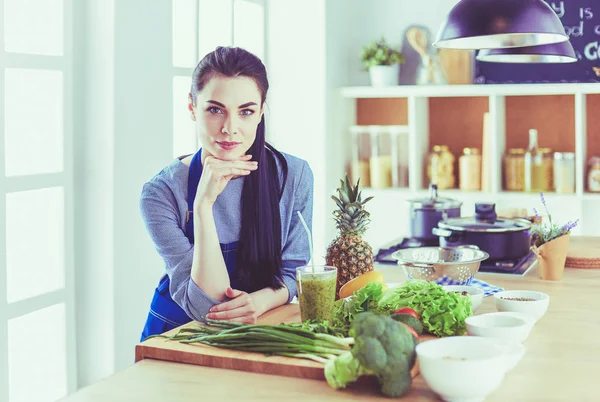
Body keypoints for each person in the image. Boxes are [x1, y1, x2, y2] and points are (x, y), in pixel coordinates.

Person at [139, 46, 314, 341]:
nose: (230, 129)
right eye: (215, 110)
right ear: (193, 108)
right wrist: (203, 205)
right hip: (177, 339)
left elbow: (293, 272)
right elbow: (207, 306)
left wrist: (259, 301)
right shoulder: (160, 193)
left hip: (257, 328)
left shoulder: (293, 176)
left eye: (245, 111)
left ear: (260, 112)